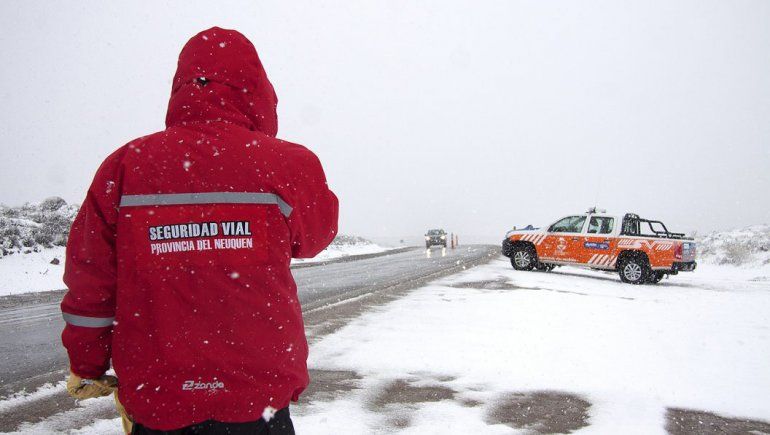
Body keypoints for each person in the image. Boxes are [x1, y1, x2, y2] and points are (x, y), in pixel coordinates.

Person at [60, 27, 339, 434]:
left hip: (158, 396)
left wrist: (87, 364)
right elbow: (316, 238)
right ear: (258, 91)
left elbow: (91, 283)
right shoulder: (288, 165)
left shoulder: (125, 166)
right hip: (257, 398)